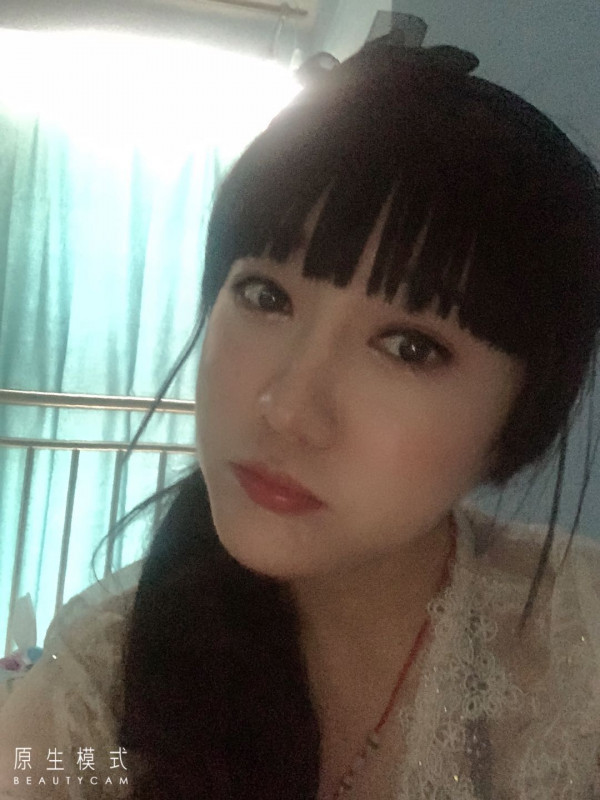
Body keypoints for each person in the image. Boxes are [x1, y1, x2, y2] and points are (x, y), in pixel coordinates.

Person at [1, 36, 600, 800]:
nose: (286, 411)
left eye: (409, 347)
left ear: (520, 420)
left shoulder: (578, 647)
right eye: (265, 295)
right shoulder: (84, 703)